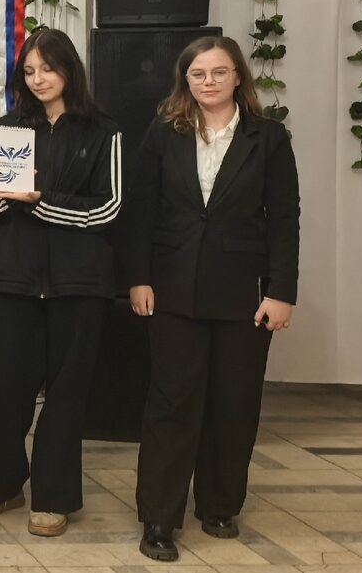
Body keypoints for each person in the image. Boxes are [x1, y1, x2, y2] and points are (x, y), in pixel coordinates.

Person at [125, 36, 300, 562]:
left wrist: (281, 292)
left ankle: (220, 504)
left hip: (243, 295)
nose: (208, 82)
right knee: (171, 405)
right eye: (198, 74)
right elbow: (141, 209)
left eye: (219, 72)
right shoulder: (164, 132)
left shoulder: (268, 137)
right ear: (186, 80)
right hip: (171, 289)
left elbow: (284, 219)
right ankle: (159, 517)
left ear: (238, 76)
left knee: (234, 403)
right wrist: (138, 278)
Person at [0, 28, 121, 538]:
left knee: (66, 395)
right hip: (13, 277)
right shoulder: (9, 127)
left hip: (79, 283)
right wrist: (1, 193)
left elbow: (108, 208)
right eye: (29, 71)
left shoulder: (103, 131)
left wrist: (40, 202)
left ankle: (53, 497)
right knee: (4, 384)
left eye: (47, 69)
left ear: (69, 70)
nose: (38, 79)